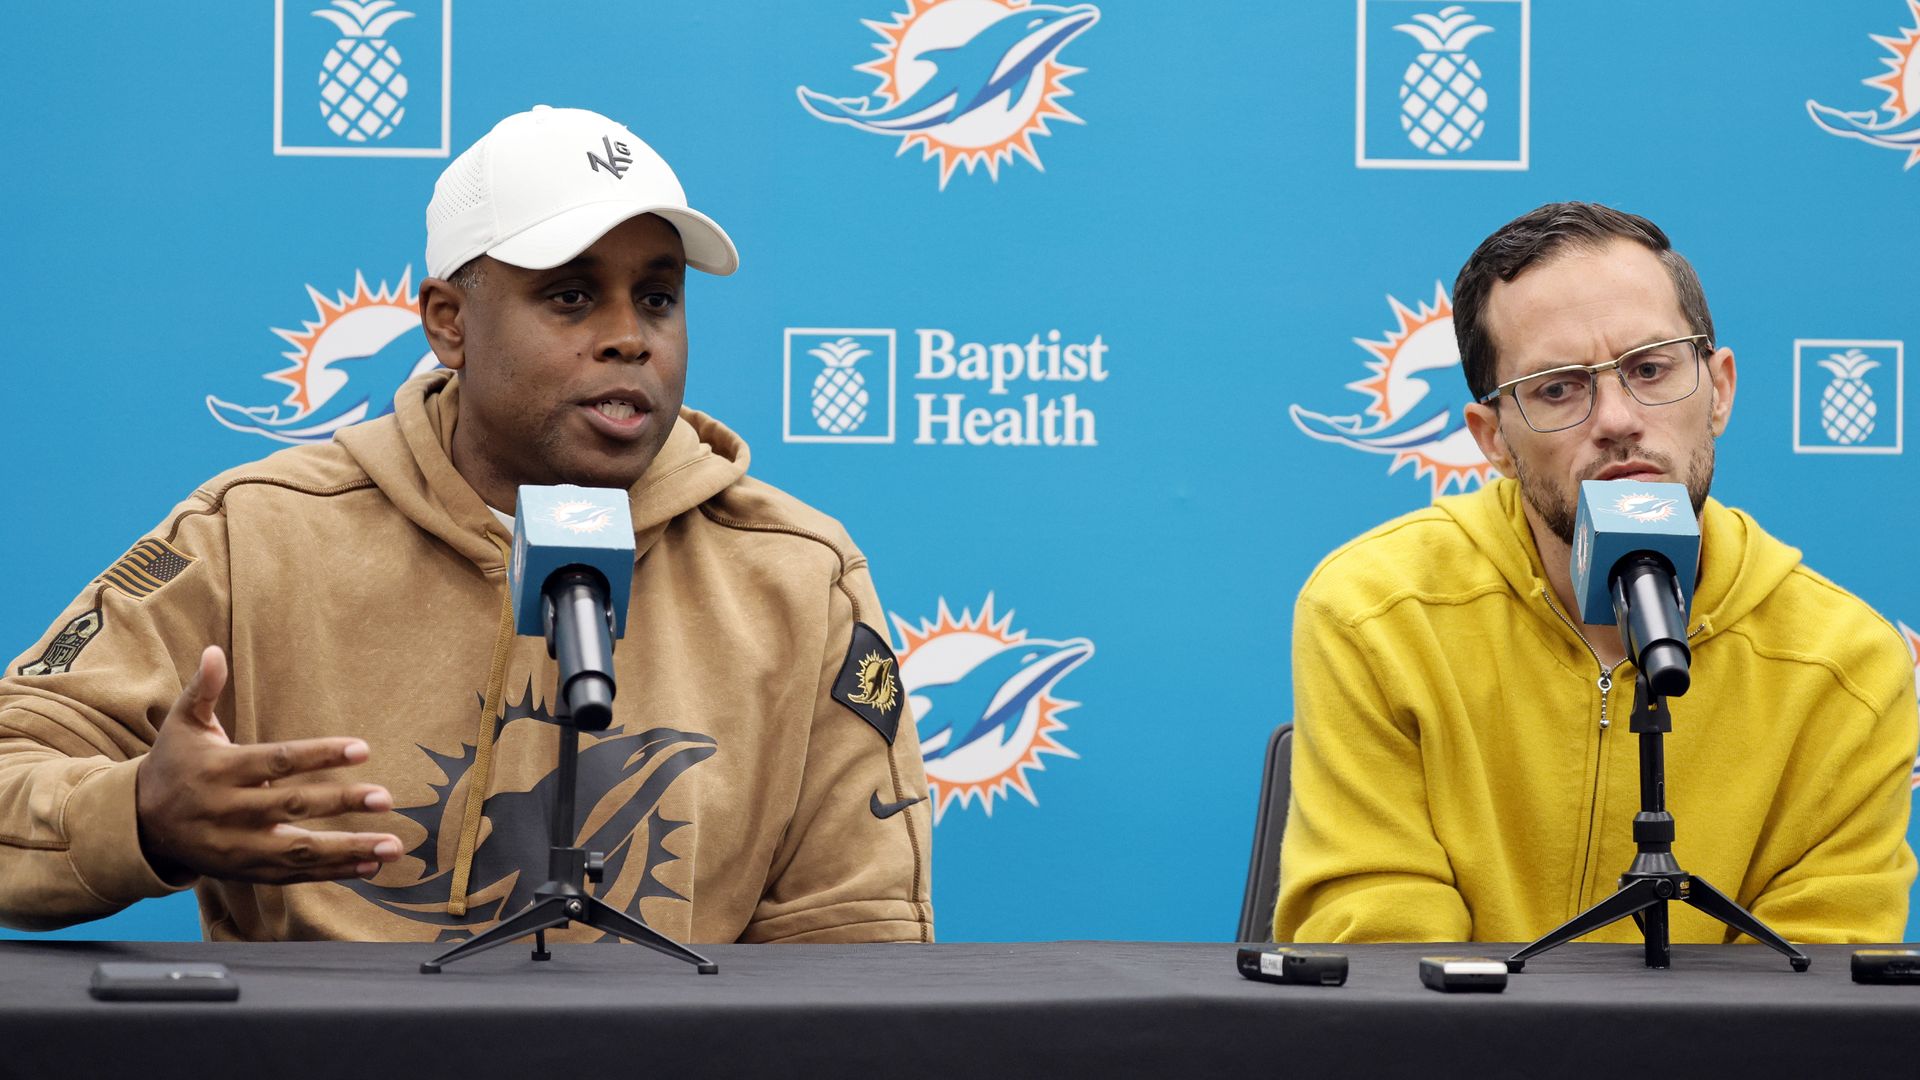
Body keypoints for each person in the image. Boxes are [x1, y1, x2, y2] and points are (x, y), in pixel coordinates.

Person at [0, 105, 934, 945]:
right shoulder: (254, 533)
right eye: (570, 296)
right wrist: (137, 818)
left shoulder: (798, 574)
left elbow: (857, 940)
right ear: (449, 321)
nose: (630, 337)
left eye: (657, 297)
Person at [1274, 202, 1915, 944]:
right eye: (1558, 388)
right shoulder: (1377, 610)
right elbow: (1384, 946)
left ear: (1720, 391)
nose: (1616, 418)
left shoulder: (1848, 666)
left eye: (1650, 369)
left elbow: (1808, 1001)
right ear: (1494, 440)